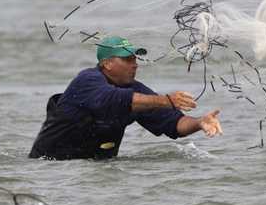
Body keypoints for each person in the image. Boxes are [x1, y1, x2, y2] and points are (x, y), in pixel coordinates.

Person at [29, 36, 223, 160]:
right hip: (50, 169)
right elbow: (113, 98)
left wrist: (199, 122)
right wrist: (166, 99)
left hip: (94, 174)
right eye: (128, 60)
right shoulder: (87, 80)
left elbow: (175, 123)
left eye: (136, 59)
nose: (135, 64)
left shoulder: (136, 91)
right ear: (107, 64)